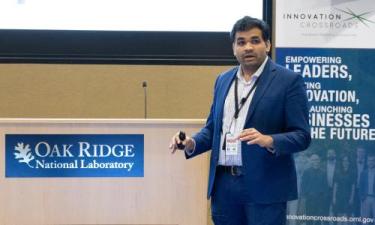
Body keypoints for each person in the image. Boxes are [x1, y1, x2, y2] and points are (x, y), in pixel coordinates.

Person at [169, 16, 311, 225]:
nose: (248, 47)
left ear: (268, 44)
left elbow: (302, 136)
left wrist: (269, 140)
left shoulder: (289, 81)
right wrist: (192, 143)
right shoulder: (223, 80)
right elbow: (212, 130)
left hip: (265, 188)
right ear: (234, 48)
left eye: (255, 41)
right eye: (241, 42)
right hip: (225, 187)